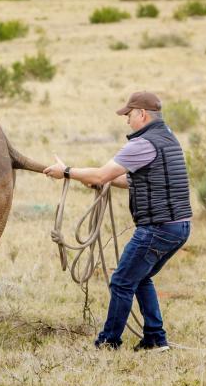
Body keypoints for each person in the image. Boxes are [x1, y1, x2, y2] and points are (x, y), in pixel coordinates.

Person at [43, 91, 191, 352]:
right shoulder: (166, 138)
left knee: (122, 280)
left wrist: (66, 172)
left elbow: (101, 174)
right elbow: (132, 180)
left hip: (158, 227)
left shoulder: (143, 143)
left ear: (142, 114)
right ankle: (155, 338)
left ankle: (109, 342)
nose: (127, 121)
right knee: (141, 277)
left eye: (129, 115)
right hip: (178, 226)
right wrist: (101, 179)